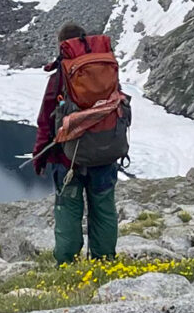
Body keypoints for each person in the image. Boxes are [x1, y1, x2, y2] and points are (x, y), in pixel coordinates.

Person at [34, 21, 127, 263]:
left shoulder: (60, 79)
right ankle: (104, 261)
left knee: (68, 212)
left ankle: (66, 264)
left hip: (69, 159)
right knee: (104, 209)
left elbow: (46, 120)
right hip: (106, 156)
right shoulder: (106, 73)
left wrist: (40, 156)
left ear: (63, 46)